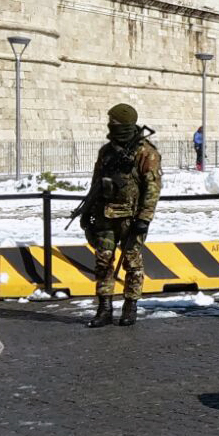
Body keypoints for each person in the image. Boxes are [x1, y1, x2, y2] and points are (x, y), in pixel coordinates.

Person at [83, 103, 162, 328]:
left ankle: (130, 306)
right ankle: (104, 308)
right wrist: (87, 211)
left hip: (131, 217)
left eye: (115, 122)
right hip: (105, 216)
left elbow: (153, 189)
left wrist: (144, 219)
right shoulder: (106, 152)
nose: (111, 125)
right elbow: (96, 184)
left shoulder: (146, 152)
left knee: (132, 262)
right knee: (103, 261)